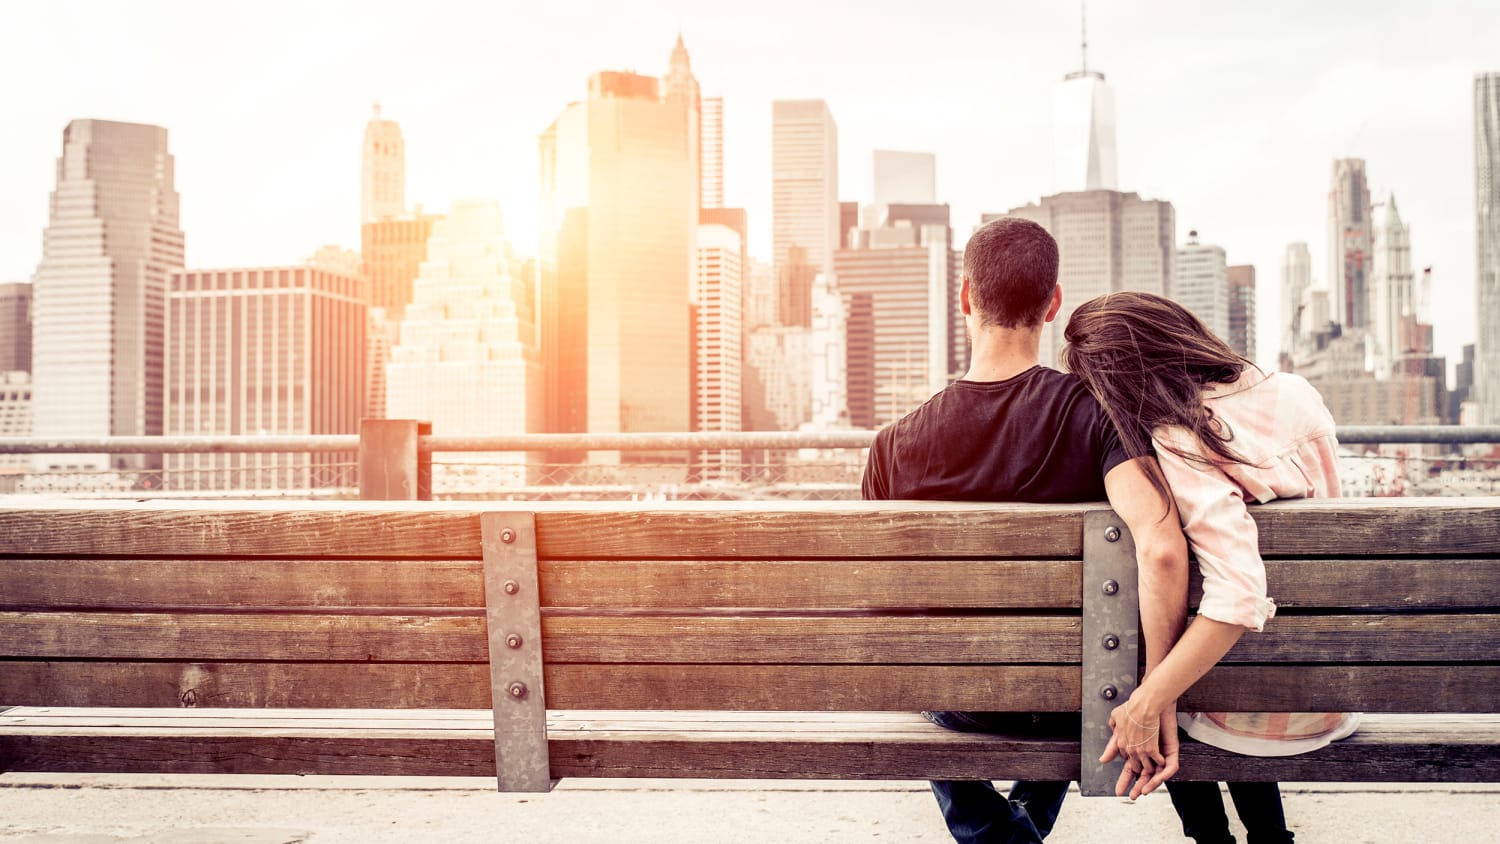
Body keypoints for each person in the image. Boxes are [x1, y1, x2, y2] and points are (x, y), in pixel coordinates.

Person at [861, 218, 1190, 843]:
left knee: (929, 664)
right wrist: (1157, 692)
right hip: (1069, 692)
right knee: (1071, 661)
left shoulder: (891, 447)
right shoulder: (1097, 416)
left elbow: (885, 608)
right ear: (1053, 303)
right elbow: (1164, 549)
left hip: (955, 698)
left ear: (965, 297)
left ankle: (997, 836)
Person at [1061, 291, 1362, 844]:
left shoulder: (1180, 435)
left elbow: (1240, 595)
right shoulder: (1296, 391)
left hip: (1248, 699)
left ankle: (1210, 837)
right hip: (1325, 687)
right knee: (1197, 674)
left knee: (1154, 678)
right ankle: (1270, 837)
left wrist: (1151, 699)